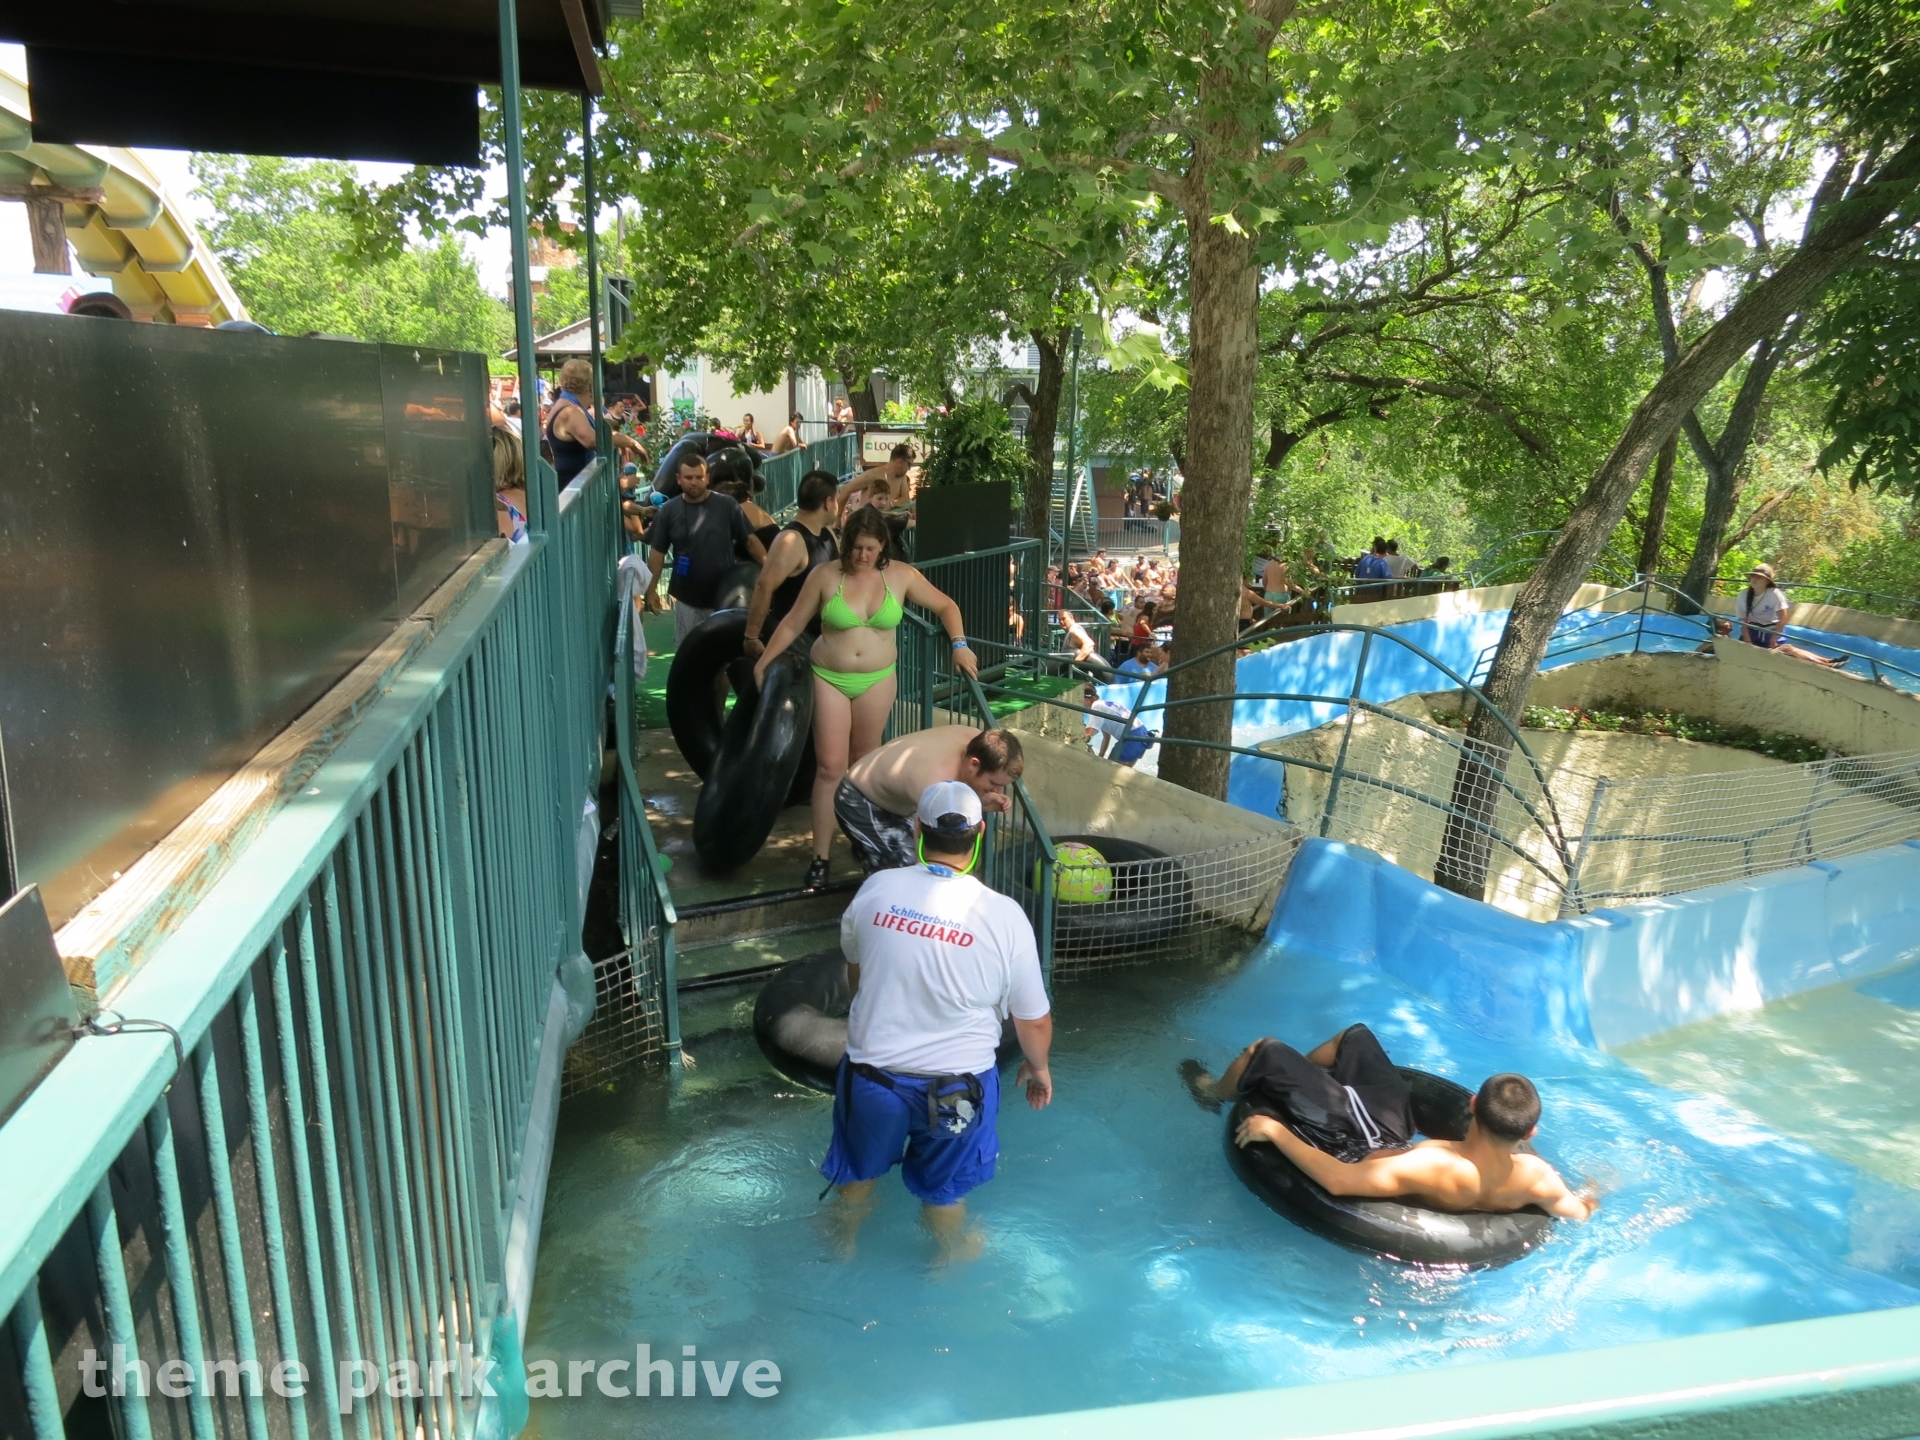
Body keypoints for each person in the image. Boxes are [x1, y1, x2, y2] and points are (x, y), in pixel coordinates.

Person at [822, 781, 1054, 1264]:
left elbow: (857, 970)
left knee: (857, 1174)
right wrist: (1039, 1068)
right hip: (958, 1088)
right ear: (980, 832)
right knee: (945, 1191)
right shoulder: (1004, 915)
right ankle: (947, 1258)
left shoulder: (878, 888)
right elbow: (1032, 1019)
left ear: (916, 829)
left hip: (873, 1079)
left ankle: (841, 1246)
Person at [754, 506, 979, 890]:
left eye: (871, 549)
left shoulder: (901, 575)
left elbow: (947, 605)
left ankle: (866, 843)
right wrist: (764, 660)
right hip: (830, 676)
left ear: (882, 547)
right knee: (830, 768)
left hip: (877, 678)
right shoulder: (825, 575)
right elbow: (792, 621)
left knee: (865, 765)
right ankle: (820, 857)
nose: (862, 555)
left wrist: (959, 644)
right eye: (857, 547)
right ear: (846, 544)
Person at [1182, 1028, 1599, 1220]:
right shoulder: (1538, 1179)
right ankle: (1307, 1080)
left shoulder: (1432, 1166)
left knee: (1264, 1049)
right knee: (1356, 1038)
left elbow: (1339, 1182)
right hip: (1392, 1137)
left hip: (1352, 1145)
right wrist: (1597, 1188)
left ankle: (1211, 1093)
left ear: (1472, 1105)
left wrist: (1275, 1131)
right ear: (1529, 1133)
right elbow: (1579, 1211)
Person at [836, 726, 1026, 873]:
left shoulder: (978, 740)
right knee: (904, 868)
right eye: (993, 783)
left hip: (893, 798)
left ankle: (868, 848)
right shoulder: (935, 782)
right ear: (974, 765)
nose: (998, 791)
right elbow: (926, 851)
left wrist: (980, 801)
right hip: (858, 799)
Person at [642, 453, 769, 643]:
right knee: (688, 650)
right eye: (688, 477)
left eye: (699, 477)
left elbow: (750, 541)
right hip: (687, 599)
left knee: (721, 652)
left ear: (707, 478)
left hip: (724, 596)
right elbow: (657, 553)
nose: (694, 482)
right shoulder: (668, 510)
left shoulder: (727, 505)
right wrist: (651, 590)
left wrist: (769, 570)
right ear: (678, 479)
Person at [745, 470, 841, 648]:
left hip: (826, 640)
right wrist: (752, 637)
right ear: (828, 502)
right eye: (837, 499)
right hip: (798, 643)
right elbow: (764, 585)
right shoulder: (791, 540)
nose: (838, 505)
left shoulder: (826, 532)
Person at [1083, 681, 1156, 768]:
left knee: (1109, 769)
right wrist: (1100, 758)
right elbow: (1106, 738)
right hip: (1143, 733)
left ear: (1086, 699)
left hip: (1131, 737)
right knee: (1121, 772)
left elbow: (1088, 733)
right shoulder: (1104, 705)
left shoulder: (1096, 707)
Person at [1734, 563, 1791, 648]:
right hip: (1751, 630)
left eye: (1759, 577)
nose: (1754, 579)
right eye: (1753, 576)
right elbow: (1743, 620)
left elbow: (1783, 618)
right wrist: (1747, 641)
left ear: (1767, 581)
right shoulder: (1743, 595)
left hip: (1773, 632)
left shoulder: (1774, 594)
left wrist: (1773, 640)